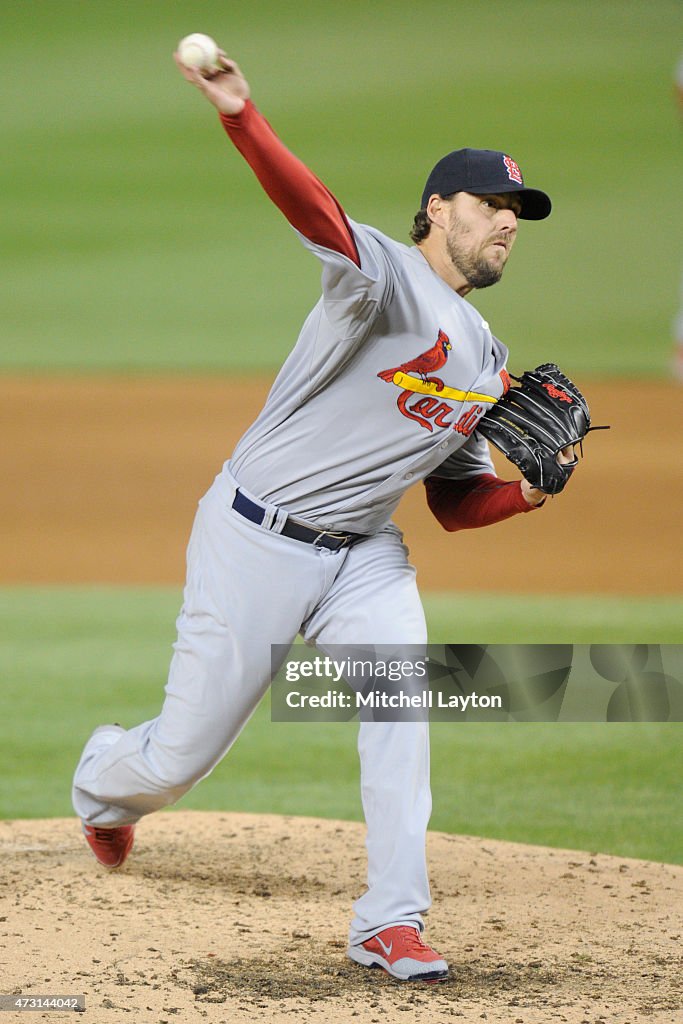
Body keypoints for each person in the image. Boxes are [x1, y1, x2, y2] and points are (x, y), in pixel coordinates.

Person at [72, 48, 569, 984]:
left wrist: (526, 494)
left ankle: (390, 920)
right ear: (436, 209)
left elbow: (455, 504)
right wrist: (240, 115)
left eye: (517, 213)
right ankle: (103, 785)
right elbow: (316, 211)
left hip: (366, 557)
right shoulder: (376, 274)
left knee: (401, 707)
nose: (507, 220)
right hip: (254, 535)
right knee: (179, 758)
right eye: (490, 204)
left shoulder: (487, 358)